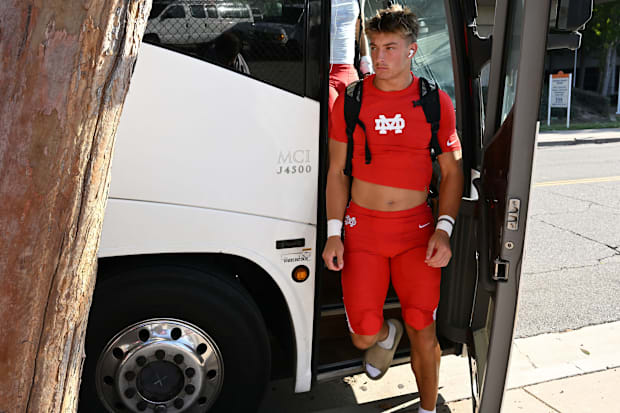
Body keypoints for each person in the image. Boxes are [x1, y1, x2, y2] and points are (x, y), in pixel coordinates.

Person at [321, 5, 464, 413]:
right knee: (362, 334)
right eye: (374, 47)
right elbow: (336, 172)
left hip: (416, 232)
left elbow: (452, 173)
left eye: (390, 47)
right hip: (362, 228)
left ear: (411, 50)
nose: (380, 57)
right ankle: (386, 334)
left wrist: (445, 228)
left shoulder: (435, 101)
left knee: (424, 327)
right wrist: (334, 233)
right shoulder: (351, 100)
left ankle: (427, 408)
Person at [329, 0, 372, 113]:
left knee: (355, 122)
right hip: (326, 72)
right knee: (332, 121)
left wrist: (366, 67)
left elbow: (360, 28)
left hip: (349, 71)